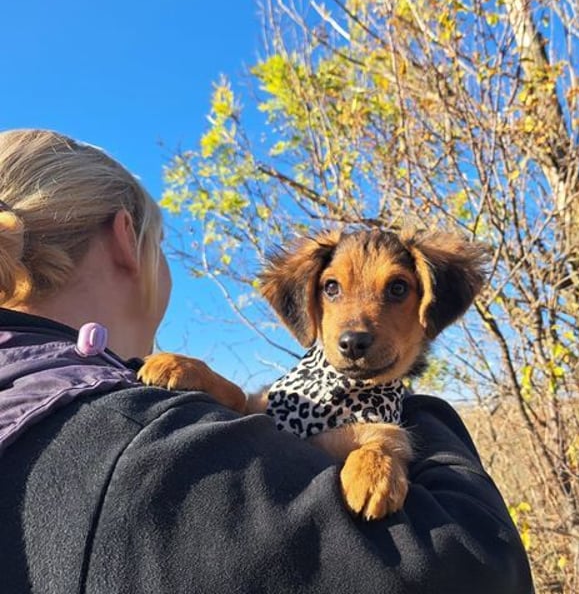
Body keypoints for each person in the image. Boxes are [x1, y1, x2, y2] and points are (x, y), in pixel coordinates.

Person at [0, 129, 534, 593]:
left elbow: (259, 415)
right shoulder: (132, 435)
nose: (356, 324)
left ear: (430, 305)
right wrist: (430, 428)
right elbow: (476, 570)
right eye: (333, 290)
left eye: (395, 291)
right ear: (125, 240)